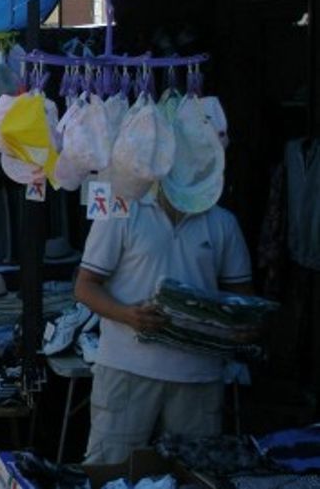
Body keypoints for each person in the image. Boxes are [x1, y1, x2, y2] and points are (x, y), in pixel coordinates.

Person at [74, 189, 254, 465]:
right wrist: (127, 315)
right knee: (110, 471)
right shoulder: (122, 211)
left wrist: (242, 325)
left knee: (195, 475)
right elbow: (85, 285)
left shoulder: (222, 222)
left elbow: (242, 299)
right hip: (127, 370)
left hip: (199, 376)